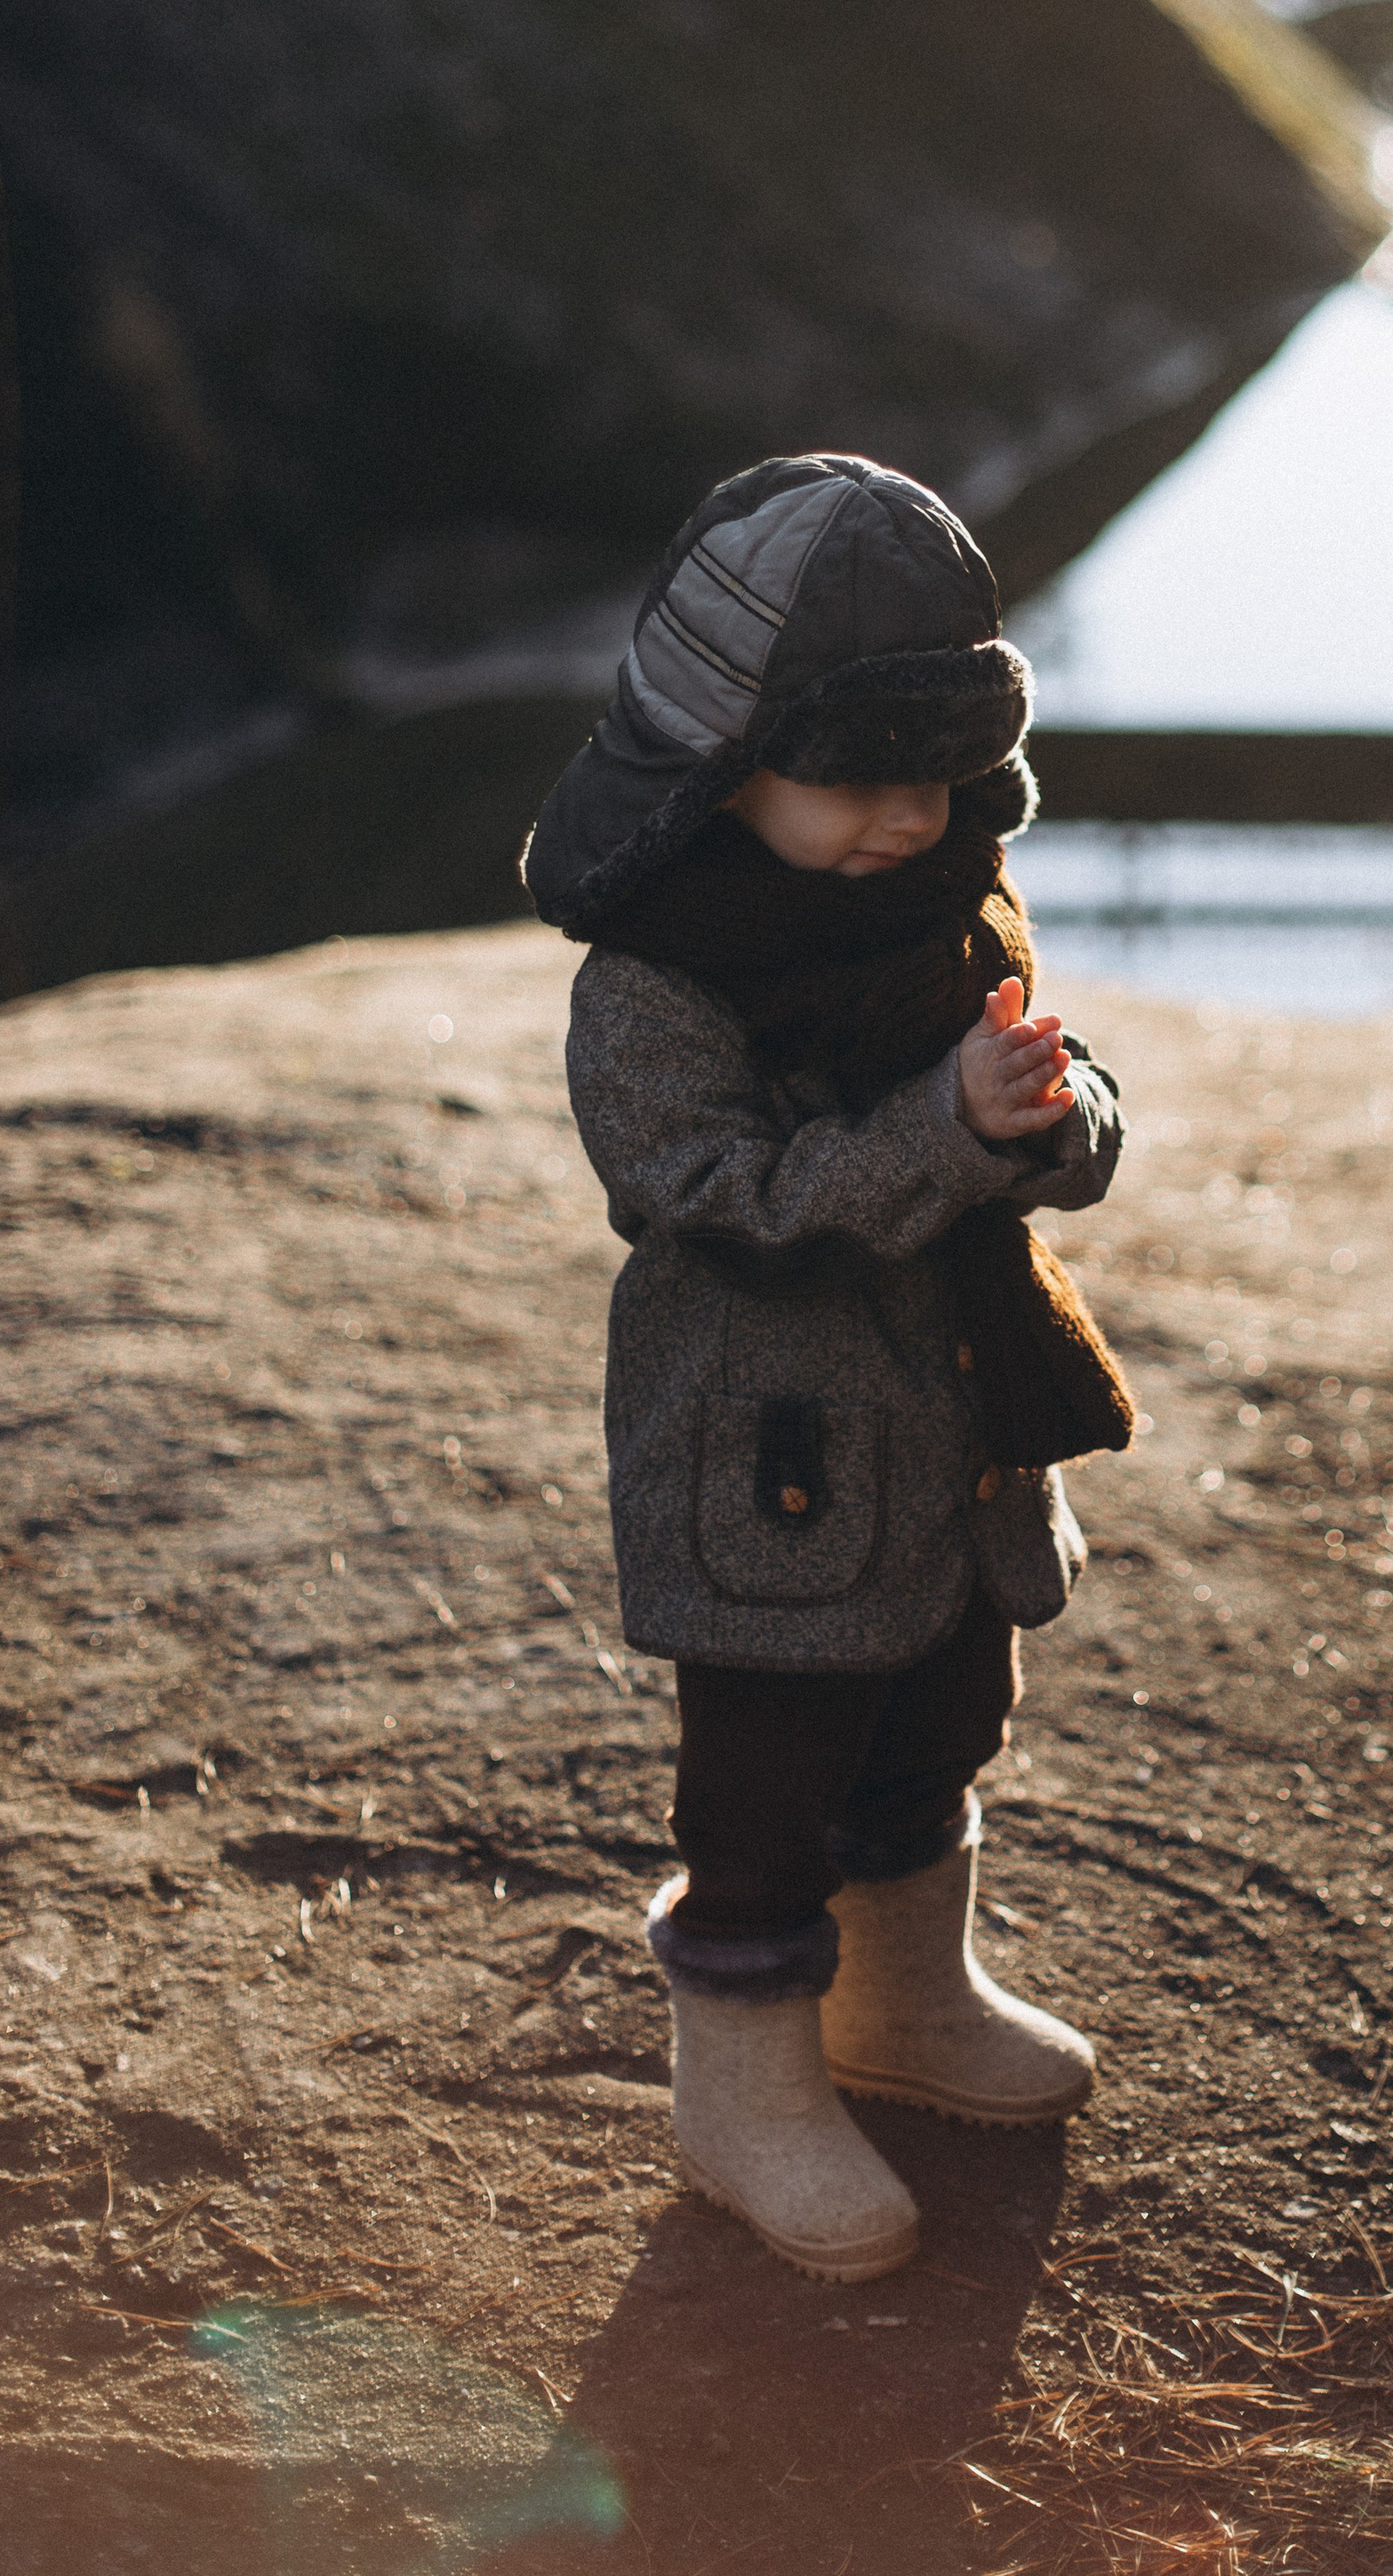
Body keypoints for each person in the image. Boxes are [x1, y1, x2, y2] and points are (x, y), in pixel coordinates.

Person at [522, 454, 1131, 2283]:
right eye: (850, 780)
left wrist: (1048, 1116)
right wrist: (941, 1132)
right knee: (768, 1779)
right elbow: (719, 1199)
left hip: (947, 1419)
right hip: (768, 1449)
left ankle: (906, 2005)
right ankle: (747, 2096)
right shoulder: (656, 980)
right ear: (722, 764)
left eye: (932, 780)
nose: (898, 819)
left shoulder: (944, 897)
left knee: (944, 1710)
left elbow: (1043, 1080)